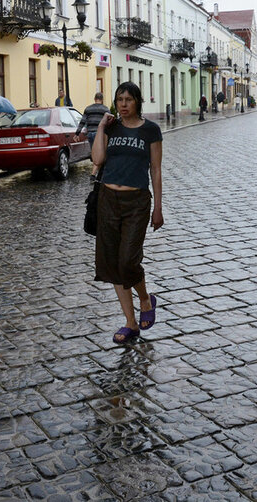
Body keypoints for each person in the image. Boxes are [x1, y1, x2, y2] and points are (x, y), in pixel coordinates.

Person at [92, 82, 163, 344]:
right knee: (112, 263)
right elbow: (97, 160)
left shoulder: (150, 130)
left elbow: (155, 169)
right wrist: (100, 127)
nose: (123, 104)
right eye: (119, 99)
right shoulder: (111, 128)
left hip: (137, 201)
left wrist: (158, 207)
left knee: (128, 260)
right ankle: (130, 323)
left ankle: (145, 298)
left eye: (128, 100)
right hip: (108, 200)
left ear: (137, 101)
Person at [74, 92, 110, 179]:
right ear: (102, 100)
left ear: (95, 99)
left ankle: (98, 175)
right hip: (100, 135)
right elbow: (110, 122)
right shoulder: (105, 109)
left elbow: (82, 121)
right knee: (101, 154)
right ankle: (95, 175)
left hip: (90, 134)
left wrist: (77, 133)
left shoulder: (88, 109)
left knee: (95, 154)